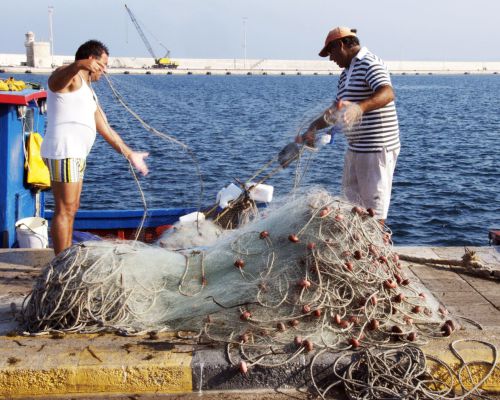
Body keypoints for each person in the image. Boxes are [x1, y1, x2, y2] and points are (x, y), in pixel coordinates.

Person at [41, 40, 149, 255]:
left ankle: (65, 255)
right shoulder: (69, 76)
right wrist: (79, 65)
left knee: (72, 207)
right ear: (91, 60)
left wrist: (130, 154)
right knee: (64, 209)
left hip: (76, 154)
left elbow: (105, 129)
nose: (104, 70)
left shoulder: (89, 91)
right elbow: (53, 82)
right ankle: (60, 263)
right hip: (64, 150)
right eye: (103, 64)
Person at [300, 27, 400, 225]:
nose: (331, 59)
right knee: (351, 209)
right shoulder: (346, 74)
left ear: (341, 44)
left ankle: (376, 250)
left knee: (373, 213)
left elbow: (388, 93)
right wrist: (312, 127)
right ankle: (360, 251)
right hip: (355, 149)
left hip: (376, 149)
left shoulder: (369, 62)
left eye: (331, 52)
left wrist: (359, 108)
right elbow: (335, 110)